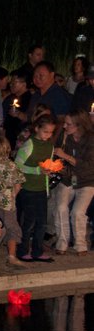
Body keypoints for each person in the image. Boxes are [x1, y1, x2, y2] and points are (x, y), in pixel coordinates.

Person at [14, 114, 57, 262]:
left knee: (42, 222)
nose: (48, 135)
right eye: (45, 132)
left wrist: (49, 173)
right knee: (29, 222)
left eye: (51, 132)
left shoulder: (50, 146)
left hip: (40, 188)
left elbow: (48, 164)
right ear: (37, 128)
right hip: (28, 188)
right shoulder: (29, 144)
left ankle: (37, 251)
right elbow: (18, 165)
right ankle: (22, 250)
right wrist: (37, 170)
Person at [52, 109, 94, 255]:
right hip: (68, 179)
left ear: (79, 125)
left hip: (87, 180)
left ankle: (80, 244)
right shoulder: (65, 137)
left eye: (68, 124)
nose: (65, 126)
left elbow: (89, 165)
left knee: (77, 212)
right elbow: (57, 156)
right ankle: (62, 243)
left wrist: (67, 157)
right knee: (61, 208)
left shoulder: (90, 139)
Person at [0, 135, 26, 267]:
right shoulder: (12, 165)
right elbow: (18, 184)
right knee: (11, 228)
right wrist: (12, 195)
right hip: (8, 204)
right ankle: (11, 256)